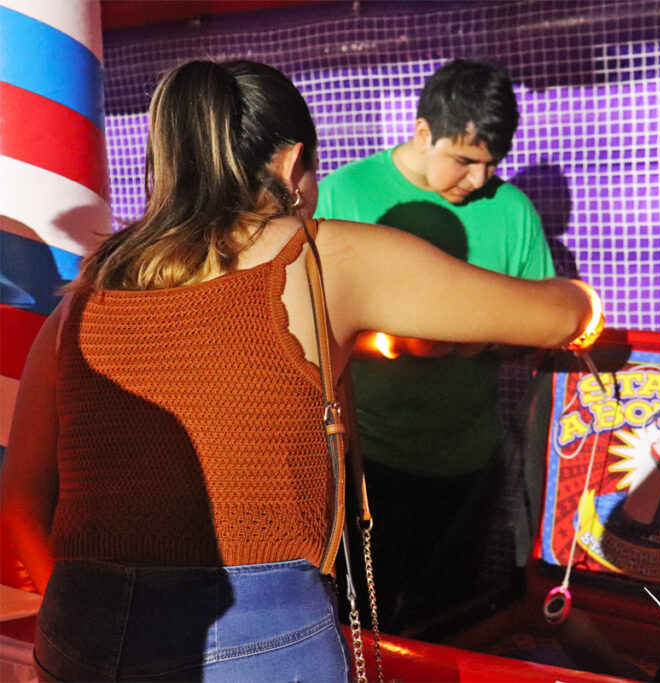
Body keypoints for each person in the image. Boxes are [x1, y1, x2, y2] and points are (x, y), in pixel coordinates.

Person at [0, 59, 600, 681]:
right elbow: (555, 318)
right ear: (291, 167)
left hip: (75, 632)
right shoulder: (323, 256)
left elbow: (20, 503)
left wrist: (87, 618)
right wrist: (585, 303)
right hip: (258, 638)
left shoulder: (80, 300)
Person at [314, 58, 554, 633]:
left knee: (448, 628)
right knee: (362, 630)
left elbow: (541, 322)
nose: (477, 181)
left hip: (469, 461)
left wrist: (488, 342)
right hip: (365, 462)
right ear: (423, 133)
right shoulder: (343, 195)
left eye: (491, 164)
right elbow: (304, 322)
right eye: (464, 160)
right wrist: (386, 342)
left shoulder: (511, 209)